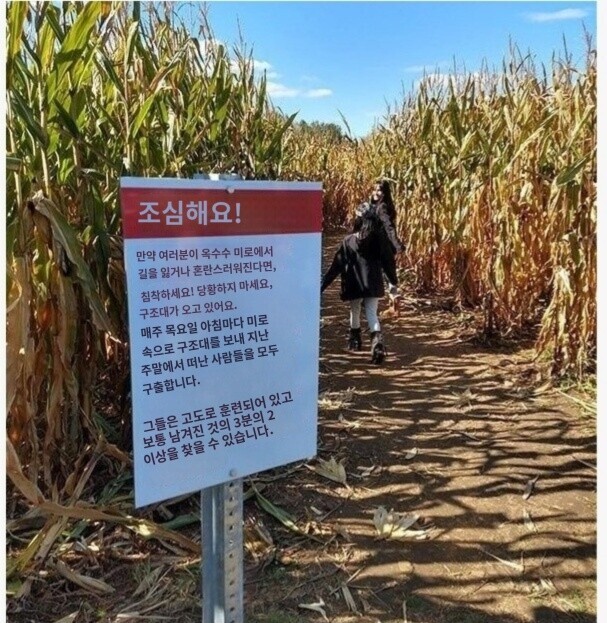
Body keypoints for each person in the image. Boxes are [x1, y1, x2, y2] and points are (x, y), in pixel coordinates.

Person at [321, 203, 399, 364]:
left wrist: (322, 285)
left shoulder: (348, 241)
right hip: (373, 282)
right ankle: (377, 346)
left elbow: (337, 265)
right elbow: (388, 261)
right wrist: (393, 282)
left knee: (355, 310)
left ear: (357, 220)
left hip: (354, 283)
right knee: (372, 313)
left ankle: (354, 341)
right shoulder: (379, 239)